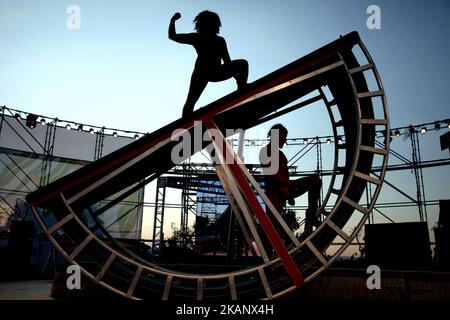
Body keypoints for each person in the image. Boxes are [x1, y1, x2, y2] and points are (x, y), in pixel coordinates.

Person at [168, 11, 249, 118]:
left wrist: (238, 78)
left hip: (215, 71)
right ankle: (185, 125)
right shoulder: (197, 37)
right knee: (190, 101)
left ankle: (241, 89)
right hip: (201, 73)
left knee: (243, 64)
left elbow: (227, 62)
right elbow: (172, 36)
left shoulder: (219, 40)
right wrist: (172, 21)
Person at [259, 124, 322, 236]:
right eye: (284, 137)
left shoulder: (277, 154)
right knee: (270, 228)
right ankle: (311, 217)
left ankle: (311, 217)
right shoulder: (266, 152)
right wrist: (306, 179)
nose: (285, 140)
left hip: (282, 191)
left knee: (271, 228)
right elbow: (282, 180)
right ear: (277, 136)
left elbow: (283, 178)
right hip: (275, 193)